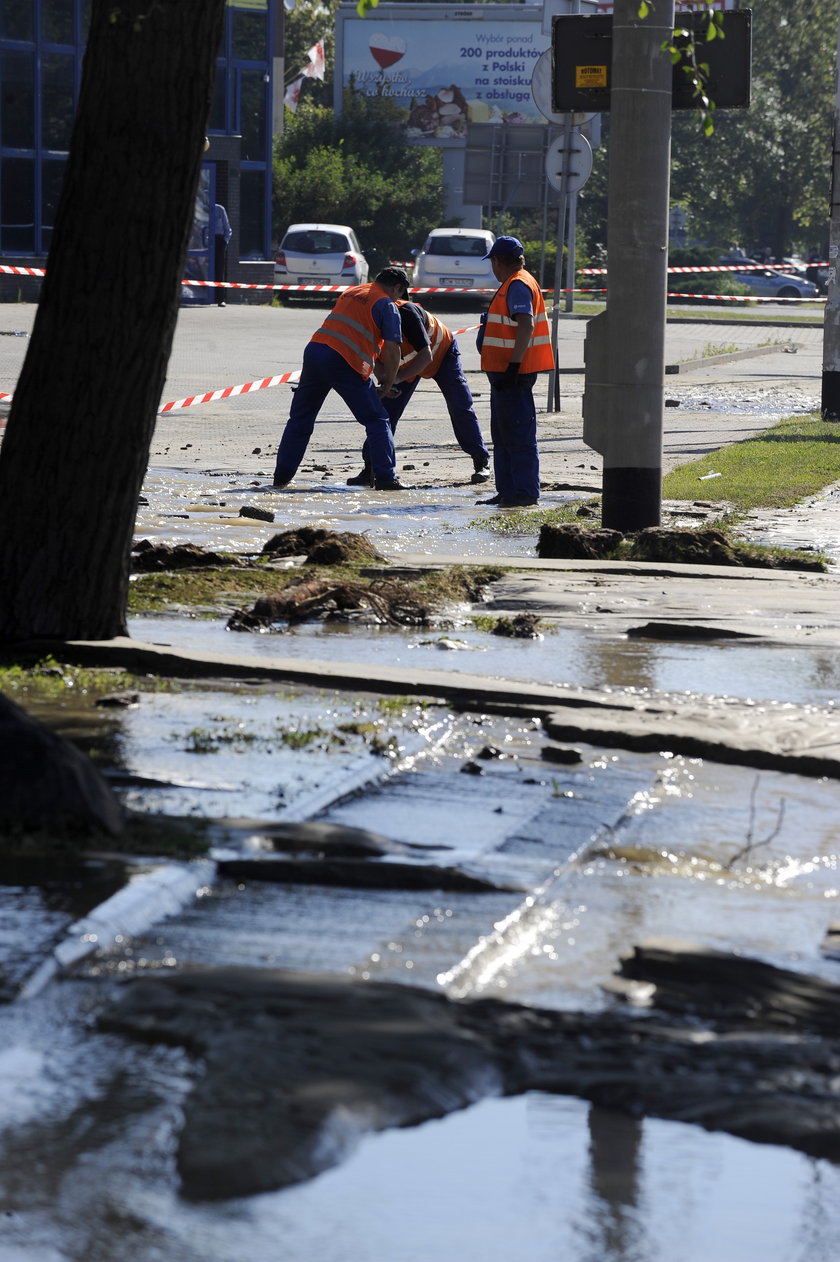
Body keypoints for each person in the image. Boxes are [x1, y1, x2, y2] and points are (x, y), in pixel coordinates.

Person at [272, 267, 410, 491]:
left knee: (300, 420)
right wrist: (389, 382)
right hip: (344, 361)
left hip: (315, 352)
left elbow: (355, 333)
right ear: (397, 288)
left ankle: (281, 479)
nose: (398, 299)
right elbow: (393, 350)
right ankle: (386, 478)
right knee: (377, 419)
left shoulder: (351, 292)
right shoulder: (387, 305)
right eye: (399, 295)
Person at [347, 273, 491, 487]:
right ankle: (371, 468)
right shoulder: (372, 314)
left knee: (460, 406)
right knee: (385, 413)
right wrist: (386, 381)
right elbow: (372, 355)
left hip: (442, 355)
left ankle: (481, 461)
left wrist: (395, 379)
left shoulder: (407, 313)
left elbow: (426, 356)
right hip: (404, 366)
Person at [477, 235, 554, 508]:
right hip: (503, 374)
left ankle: (523, 493)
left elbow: (526, 324)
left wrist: (513, 365)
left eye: (493, 263)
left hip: (513, 374)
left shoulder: (518, 284)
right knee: (503, 434)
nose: (493, 269)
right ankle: (508, 492)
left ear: (498, 261)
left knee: (518, 435)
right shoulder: (516, 282)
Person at [213, 203, 232, 307]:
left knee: (219, 269)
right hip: (205, 240)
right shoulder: (202, 208)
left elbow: (228, 229)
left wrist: (224, 242)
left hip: (219, 241)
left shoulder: (220, 209)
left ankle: (220, 299)